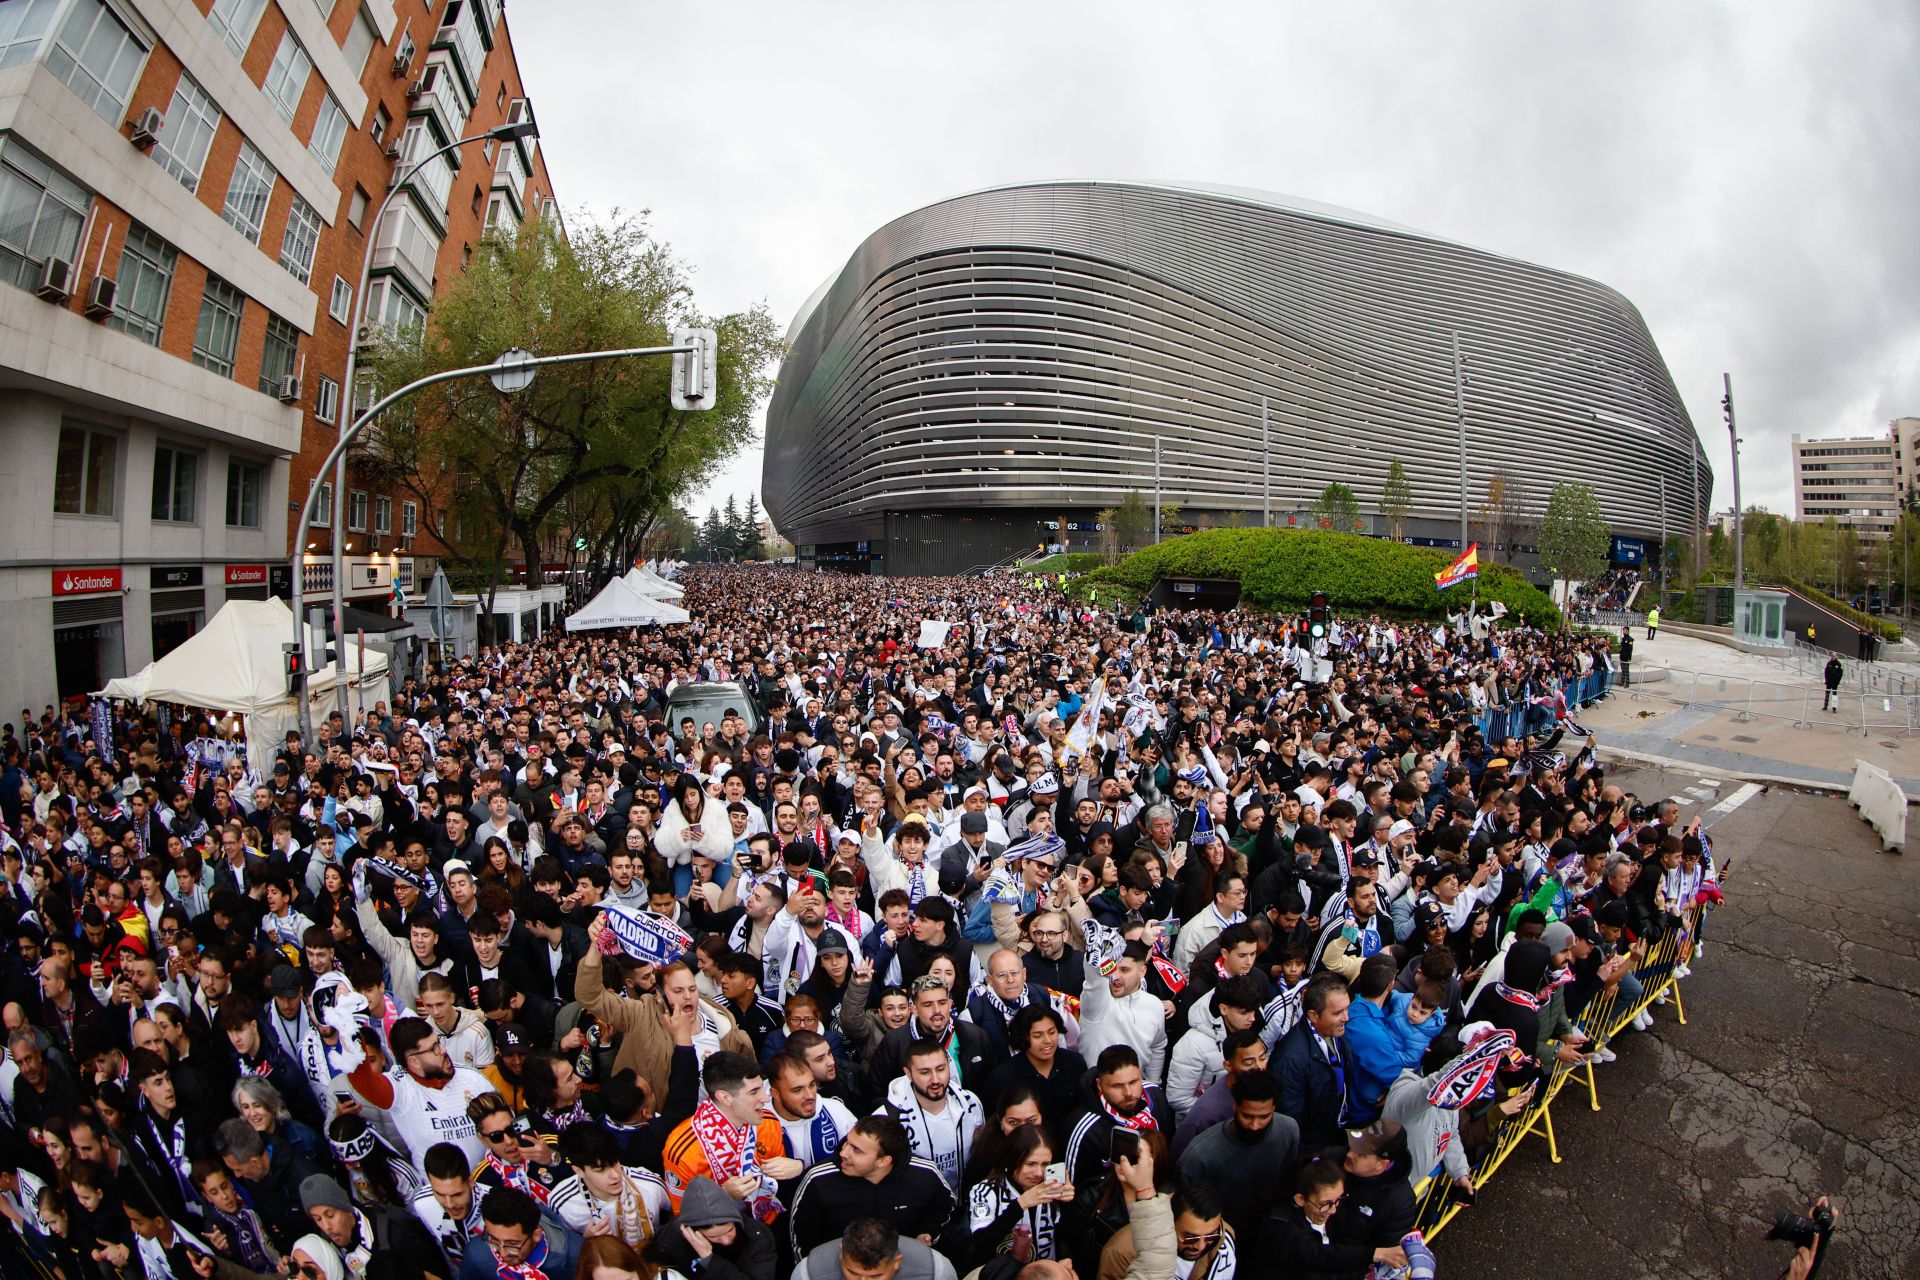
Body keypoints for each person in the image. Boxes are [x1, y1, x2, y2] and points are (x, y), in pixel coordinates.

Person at [789, 1114, 957, 1256]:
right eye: (847, 1142)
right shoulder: (818, 1180)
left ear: (884, 1161)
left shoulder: (925, 1175)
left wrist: (928, 1232)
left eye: (857, 1150)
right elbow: (801, 1240)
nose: (843, 1153)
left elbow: (946, 1208)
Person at [660, 1052, 801, 1220]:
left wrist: (799, 1167)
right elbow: (681, 1215)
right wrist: (723, 1194)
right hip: (717, 1238)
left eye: (761, 1088)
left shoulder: (768, 1122)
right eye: (754, 1092)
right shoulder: (682, 1150)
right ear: (725, 1097)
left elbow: (779, 1183)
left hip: (768, 1223)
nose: (765, 1098)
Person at [1174, 1071, 1299, 1244]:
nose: (1255, 1126)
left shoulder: (1288, 1131)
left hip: (1267, 1233)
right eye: (1247, 1116)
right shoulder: (1199, 1155)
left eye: (1264, 1117)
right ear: (1235, 1106)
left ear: (1274, 1108)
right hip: (1219, 1239)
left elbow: (1287, 1181)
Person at [876, 1037, 986, 1192]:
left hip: (964, 1202)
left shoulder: (971, 1103)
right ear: (908, 1073)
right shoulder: (886, 1119)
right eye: (925, 1072)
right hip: (918, 1208)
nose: (935, 1079)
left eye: (941, 1069)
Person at [1271, 973, 1353, 1150]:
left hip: (1333, 1132)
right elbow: (1290, 1123)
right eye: (1338, 1012)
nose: (1346, 1017)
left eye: (1347, 1009)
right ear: (1314, 1015)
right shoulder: (1289, 1059)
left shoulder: (1335, 1033)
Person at [642, 1175, 778, 1280]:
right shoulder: (670, 1240)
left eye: (730, 1230)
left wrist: (710, 1259)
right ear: (692, 1232)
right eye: (714, 1236)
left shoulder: (757, 1237)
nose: (725, 1240)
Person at [460, 1185, 582, 1280]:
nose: (502, 1254)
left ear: (536, 1235)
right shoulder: (477, 1253)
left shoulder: (578, 1255)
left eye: (512, 1244)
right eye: (494, 1240)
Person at [793, 1216, 959, 1280]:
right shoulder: (808, 1274)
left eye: (875, 1276)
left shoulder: (936, 1272)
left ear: (897, 1261)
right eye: (853, 1273)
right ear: (841, 1253)